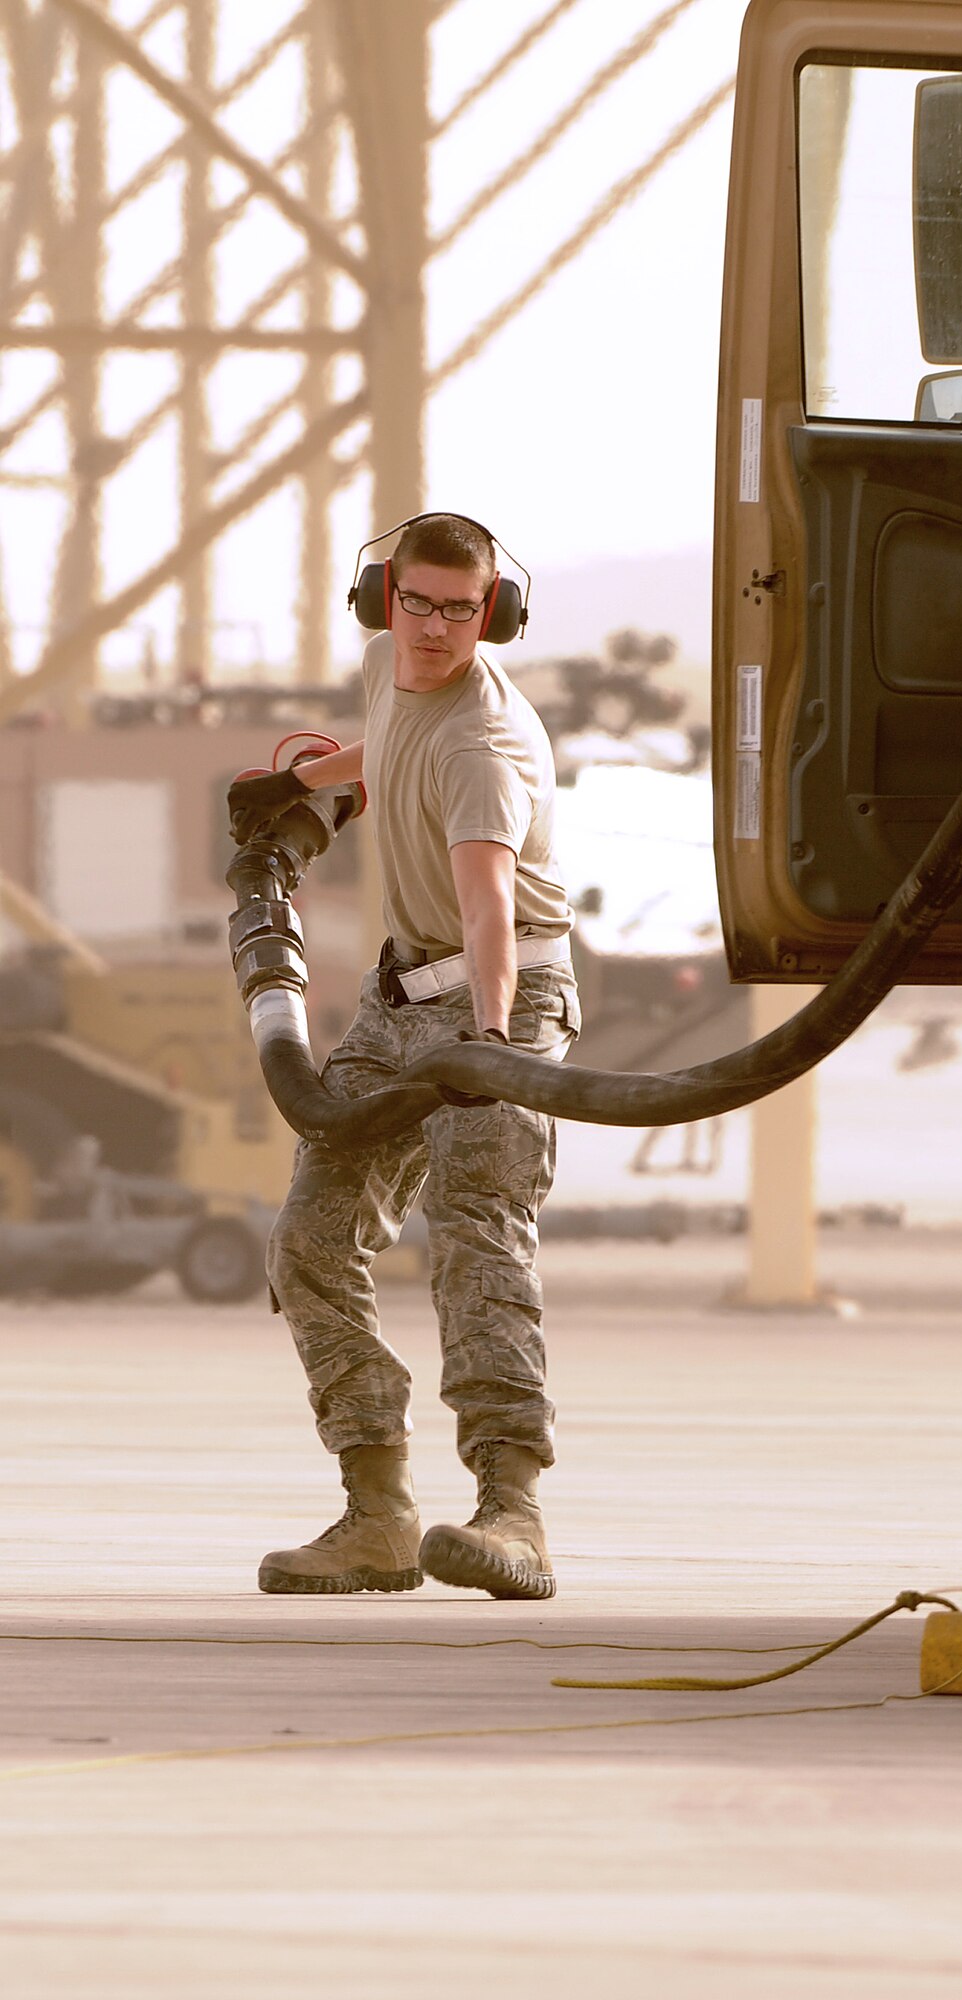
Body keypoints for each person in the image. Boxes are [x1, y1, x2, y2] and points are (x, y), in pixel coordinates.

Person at [227, 513, 579, 1601]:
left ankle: (512, 1513)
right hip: (398, 997)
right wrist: (303, 787)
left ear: (496, 615)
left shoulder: (487, 749)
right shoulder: (390, 662)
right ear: (385, 598)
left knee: (478, 1242)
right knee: (309, 1240)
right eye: (415, 601)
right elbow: (386, 746)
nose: (431, 628)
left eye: (458, 609)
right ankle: (377, 1510)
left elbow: (486, 913)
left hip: (500, 1005)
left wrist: (483, 1045)